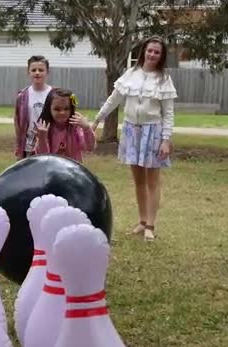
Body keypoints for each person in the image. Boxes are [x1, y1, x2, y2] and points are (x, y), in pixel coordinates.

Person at [92, 36, 177, 241]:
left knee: (152, 182)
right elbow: (114, 100)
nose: (152, 55)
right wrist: (96, 120)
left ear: (161, 56)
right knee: (138, 181)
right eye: (150, 50)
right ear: (143, 52)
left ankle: (150, 225)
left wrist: (165, 139)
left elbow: (168, 113)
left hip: (153, 132)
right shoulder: (131, 74)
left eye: (157, 52)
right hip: (132, 131)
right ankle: (141, 221)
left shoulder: (164, 79)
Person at [34, 88, 95, 162]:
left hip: (72, 171)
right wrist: (42, 139)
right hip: (51, 170)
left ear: (72, 109)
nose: (62, 112)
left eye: (66, 109)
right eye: (57, 109)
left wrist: (87, 128)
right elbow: (42, 157)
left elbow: (89, 148)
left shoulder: (75, 126)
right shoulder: (45, 128)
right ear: (49, 109)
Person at [13, 55, 54, 159]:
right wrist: (19, 146)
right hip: (28, 148)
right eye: (33, 70)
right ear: (28, 72)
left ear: (47, 72)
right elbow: (17, 122)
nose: (37, 72)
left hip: (50, 147)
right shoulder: (22, 96)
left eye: (41, 70)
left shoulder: (55, 95)